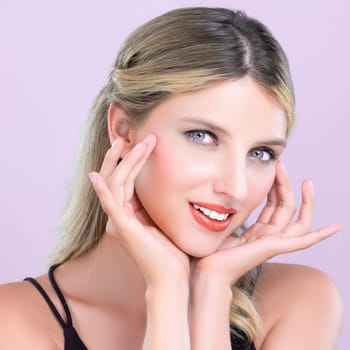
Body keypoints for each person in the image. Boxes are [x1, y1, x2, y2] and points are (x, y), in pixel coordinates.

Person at [0, 7, 343, 350]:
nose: (235, 188)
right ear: (124, 130)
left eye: (260, 153)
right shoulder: (13, 321)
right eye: (202, 136)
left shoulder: (301, 301)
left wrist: (211, 290)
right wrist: (167, 290)